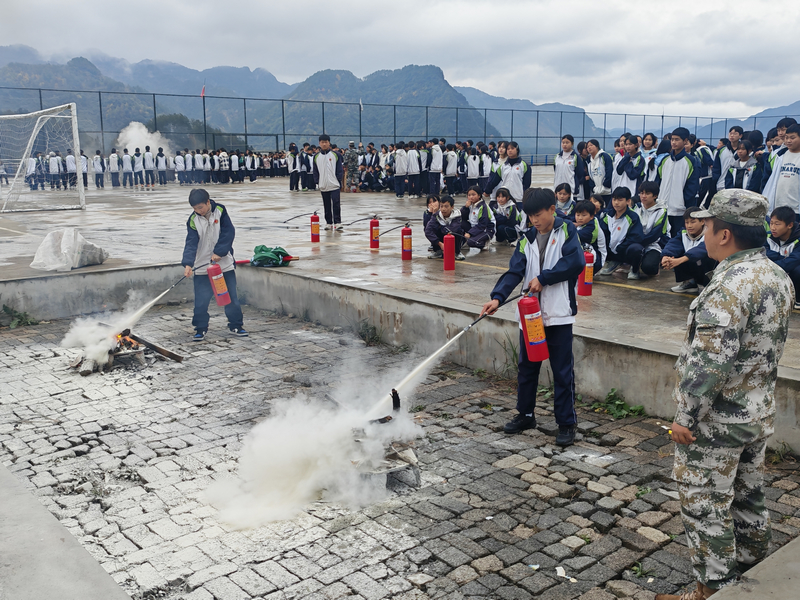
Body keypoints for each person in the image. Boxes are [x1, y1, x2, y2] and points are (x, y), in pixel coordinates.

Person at [658, 189, 794, 600]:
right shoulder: (776, 275)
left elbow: (710, 362)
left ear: (724, 235)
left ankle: (713, 591)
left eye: (708, 226)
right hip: (755, 412)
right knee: (748, 495)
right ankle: (755, 574)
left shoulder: (731, 285)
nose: (702, 233)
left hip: (717, 421)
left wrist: (686, 417)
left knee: (705, 504)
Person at [480, 187, 584, 446]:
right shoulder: (526, 238)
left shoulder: (567, 232)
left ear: (552, 209)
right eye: (530, 216)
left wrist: (543, 278)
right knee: (527, 367)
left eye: (538, 215)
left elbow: (575, 263)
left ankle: (566, 423)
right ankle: (525, 414)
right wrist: (497, 298)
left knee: (561, 371)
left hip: (558, 315)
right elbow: (515, 271)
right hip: (531, 316)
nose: (534, 221)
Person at [181, 188, 246, 341]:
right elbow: (191, 243)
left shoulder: (220, 211)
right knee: (201, 301)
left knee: (231, 297)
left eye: (200, 207)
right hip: (203, 267)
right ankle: (200, 329)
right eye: (195, 209)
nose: (198, 211)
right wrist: (188, 264)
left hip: (224, 265)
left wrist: (220, 252)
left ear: (208, 202)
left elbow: (228, 232)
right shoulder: (193, 220)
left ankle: (236, 325)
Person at [661, 206, 716, 294]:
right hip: (695, 266)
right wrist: (666, 256)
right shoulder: (683, 233)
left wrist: (679, 261)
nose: (689, 226)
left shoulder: (710, 233)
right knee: (675, 252)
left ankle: (710, 285)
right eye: (687, 222)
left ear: (702, 221)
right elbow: (673, 244)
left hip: (706, 270)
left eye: (693, 222)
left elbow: (702, 249)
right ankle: (690, 282)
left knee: (708, 255)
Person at [658, 127, 700, 237]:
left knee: (678, 237)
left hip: (679, 210)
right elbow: (658, 181)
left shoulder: (690, 161)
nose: (673, 142)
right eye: (672, 139)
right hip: (662, 207)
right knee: (662, 236)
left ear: (685, 141)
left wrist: (683, 202)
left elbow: (692, 186)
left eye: (677, 139)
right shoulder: (665, 160)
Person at [596, 187, 644, 276]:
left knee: (636, 248)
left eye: (620, 200)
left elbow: (636, 237)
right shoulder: (607, 215)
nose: (616, 203)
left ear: (628, 201)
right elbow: (601, 233)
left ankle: (634, 269)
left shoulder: (633, 217)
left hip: (624, 250)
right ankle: (613, 262)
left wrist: (621, 247)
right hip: (611, 250)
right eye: (614, 199)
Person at [630, 180, 669, 278]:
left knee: (649, 268)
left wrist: (637, 241)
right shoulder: (636, 208)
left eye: (647, 193)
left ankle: (654, 262)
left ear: (655, 196)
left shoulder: (661, 211)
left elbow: (655, 234)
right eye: (642, 193)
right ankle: (633, 267)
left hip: (654, 244)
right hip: (638, 242)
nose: (643, 196)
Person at [765, 206, 800, 306]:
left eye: (777, 224)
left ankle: (797, 299)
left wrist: (773, 263)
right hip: (774, 271)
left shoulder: (798, 239)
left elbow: (794, 260)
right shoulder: (767, 236)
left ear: (789, 225)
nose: (773, 227)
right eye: (771, 223)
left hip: (791, 273)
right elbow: (762, 252)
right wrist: (782, 258)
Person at [313, 135, 344, 230]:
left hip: (334, 184)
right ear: (319, 143)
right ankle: (329, 222)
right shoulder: (316, 156)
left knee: (336, 204)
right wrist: (317, 181)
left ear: (329, 143)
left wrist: (338, 179)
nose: (324, 144)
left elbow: (340, 169)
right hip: (323, 185)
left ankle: (337, 222)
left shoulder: (336, 155)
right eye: (322, 142)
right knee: (326, 204)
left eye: (326, 142)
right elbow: (315, 171)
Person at [425, 195, 465, 261]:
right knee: (432, 230)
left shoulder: (457, 216)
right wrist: (440, 243)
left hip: (450, 236)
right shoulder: (436, 215)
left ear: (452, 207)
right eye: (441, 206)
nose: (443, 209)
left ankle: (456, 252)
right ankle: (437, 251)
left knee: (458, 231)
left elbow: (452, 229)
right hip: (441, 240)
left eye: (446, 206)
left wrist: (440, 227)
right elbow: (428, 230)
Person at [772, 123, 800, 219]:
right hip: (779, 206)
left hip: (796, 209)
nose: (788, 141)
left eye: (792, 138)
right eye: (786, 137)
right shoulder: (780, 156)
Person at [575, 199, 607, 270]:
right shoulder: (586, 222)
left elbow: (575, 236)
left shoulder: (592, 227)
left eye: (584, 215)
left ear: (591, 216)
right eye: (578, 215)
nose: (580, 218)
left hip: (597, 260)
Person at [461, 185, 495, 251]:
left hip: (486, 230)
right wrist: (465, 208)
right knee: (460, 222)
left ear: (479, 195)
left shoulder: (483, 207)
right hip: (474, 228)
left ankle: (484, 242)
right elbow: (462, 217)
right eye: (469, 195)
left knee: (471, 242)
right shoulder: (471, 205)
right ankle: (464, 240)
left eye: (473, 195)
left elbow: (483, 224)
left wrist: (470, 233)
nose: (471, 197)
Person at [711, 126, 744, 192]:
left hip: (739, 186)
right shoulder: (721, 150)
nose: (732, 135)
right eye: (730, 133)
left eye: (735, 134)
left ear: (740, 136)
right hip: (722, 185)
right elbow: (716, 168)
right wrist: (715, 180)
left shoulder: (743, 151)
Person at [554, 134, 585, 201]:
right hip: (558, 189)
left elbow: (580, 173)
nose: (565, 145)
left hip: (571, 189)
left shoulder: (575, 157)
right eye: (563, 142)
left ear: (572, 144)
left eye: (567, 142)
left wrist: (575, 184)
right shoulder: (557, 157)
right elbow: (556, 170)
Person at [616, 133, 646, 199]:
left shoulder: (640, 159)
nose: (628, 147)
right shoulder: (626, 157)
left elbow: (633, 175)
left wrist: (628, 164)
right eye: (626, 144)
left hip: (633, 189)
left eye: (630, 144)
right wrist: (626, 159)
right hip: (623, 186)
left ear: (636, 145)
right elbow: (619, 171)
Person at [586, 139, 614, 207]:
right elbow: (590, 176)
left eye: (591, 145)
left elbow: (609, 171)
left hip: (607, 191)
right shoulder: (589, 160)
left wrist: (606, 185)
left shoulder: (604, 156)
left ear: (597, 146)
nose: (589, 147)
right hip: (596, 192)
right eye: (587, 146)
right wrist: (593, 187)